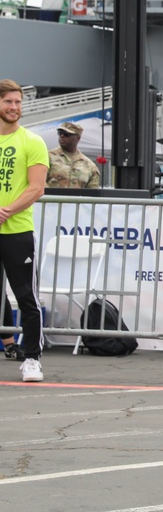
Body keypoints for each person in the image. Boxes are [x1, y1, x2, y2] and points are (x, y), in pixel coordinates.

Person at [0, 79, 48, 382]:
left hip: (17, 231)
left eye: (18, 102)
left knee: (26, 297)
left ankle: (32, 358)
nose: (14, 108)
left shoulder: (32, 141)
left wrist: (5, 211)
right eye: (8, 102)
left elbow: (36, 188)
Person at [46, 121, 100, 189]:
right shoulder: (48, 157)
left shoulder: (90, 166)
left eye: (66, 134)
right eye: (60, 133)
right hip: (51, 199)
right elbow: (38, 183)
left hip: (78, 199)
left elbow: (93, 193)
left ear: (78, 138)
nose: (62, 136)